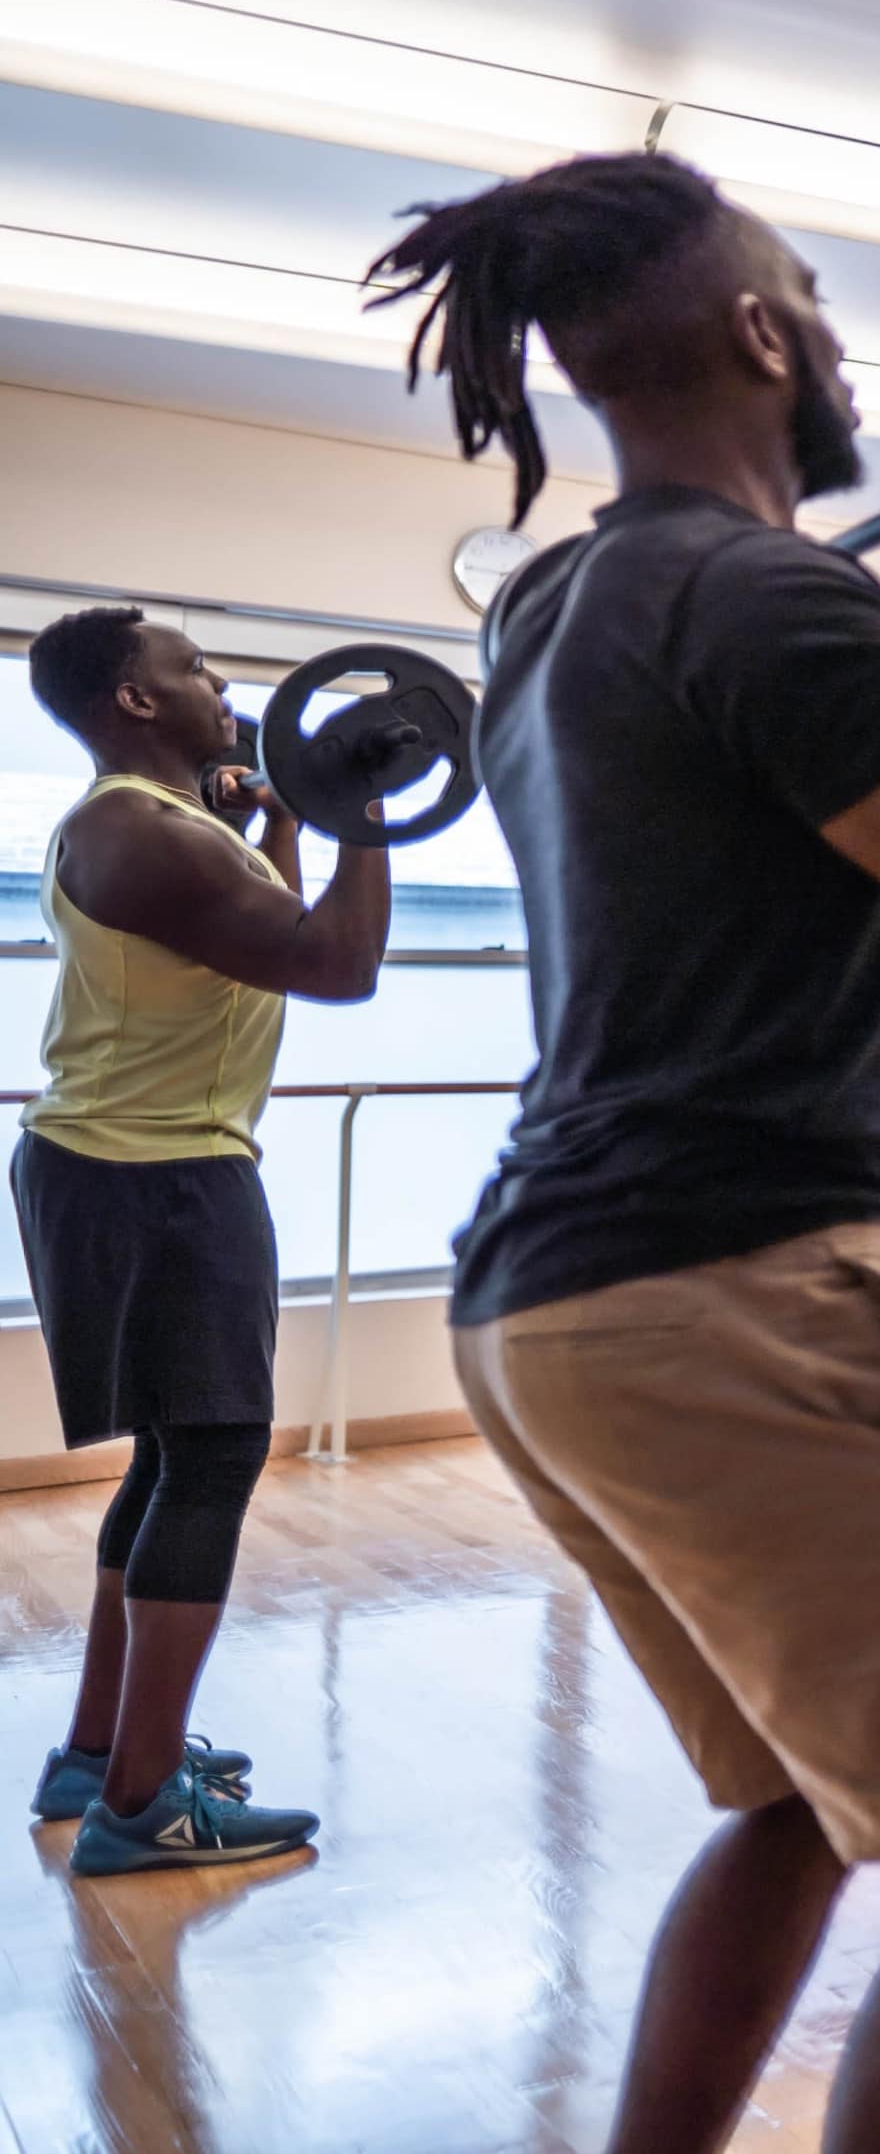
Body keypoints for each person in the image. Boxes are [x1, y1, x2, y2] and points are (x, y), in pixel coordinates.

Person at [371, 150, 880, 2154]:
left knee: (799, 1799)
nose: (827, 327)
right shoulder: (768, 594)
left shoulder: (563, 602)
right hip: (725, 1287)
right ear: (759, 331)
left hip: (543, 1304)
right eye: (806, 285)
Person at [12, 608, 390, 1876]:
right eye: (193, 668)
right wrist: (363, 812)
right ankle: (140, 1802)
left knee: (177, 1450)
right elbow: (334, 963)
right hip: (154, 1170)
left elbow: (260, 907)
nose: (221, 684)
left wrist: (283, 809)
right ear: (132, 699)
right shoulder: (135, 831)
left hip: (136, 1160)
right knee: (217, 1452)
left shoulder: (162, 825)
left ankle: (99, 1752)